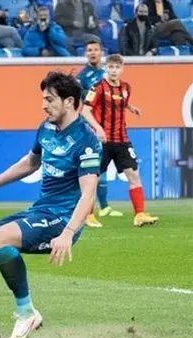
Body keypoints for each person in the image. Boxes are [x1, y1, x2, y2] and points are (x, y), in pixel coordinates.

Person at [0, 71, 101, 338]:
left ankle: (27, 312)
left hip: (62, 218)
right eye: (43, 99)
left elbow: (88, 195)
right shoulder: (46, 128)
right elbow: (30, 162)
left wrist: (68, 233)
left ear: (69, 101)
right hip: (41, 211)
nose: (43, 105)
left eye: (49, 100)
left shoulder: (87, 141)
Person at [81, 54, 159, 227]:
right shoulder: (98, 87)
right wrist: (98, 128)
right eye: (111, 67)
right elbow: (85, 111)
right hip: (102, 141)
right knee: (93, 179)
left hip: (122, 140)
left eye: (117, 67)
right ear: (106, 68)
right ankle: (88, 216)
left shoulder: (126, 87)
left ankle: (139, 215)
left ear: (122, 69)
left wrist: (131, 107)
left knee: (134, 175)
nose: (114, 70)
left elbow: (121, 102)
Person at [76, 40, 123, 228]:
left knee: (101, 170)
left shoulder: (107, 72)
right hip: (91, 127)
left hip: (108, 127)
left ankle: (103, 207)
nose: (93, 53)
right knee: (92, 170)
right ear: (85, 54)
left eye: (95, 49)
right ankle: (87, 212)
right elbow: (80, 103)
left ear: (101, 52)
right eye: (89, 50)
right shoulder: (82, 77)